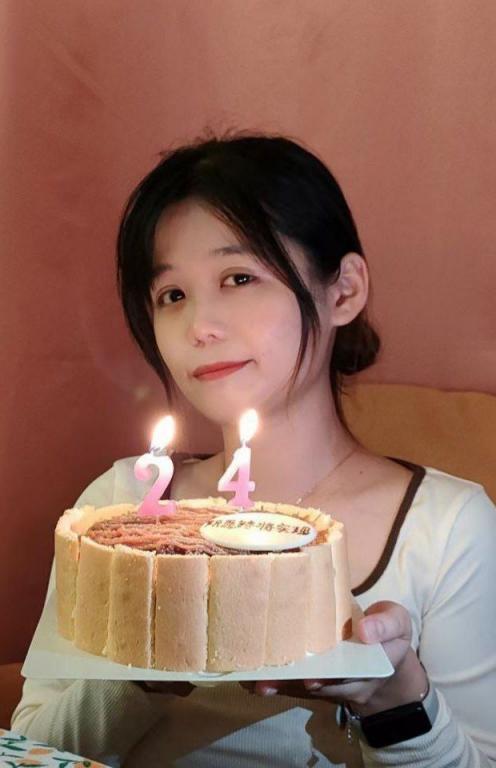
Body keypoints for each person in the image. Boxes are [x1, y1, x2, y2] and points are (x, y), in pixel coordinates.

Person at [12, 133, 496, 767]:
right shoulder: (120, 512)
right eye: (172, 295)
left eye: (239, 277)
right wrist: (141, 667)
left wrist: (397, 702)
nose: (199, 327)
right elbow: (34, 750)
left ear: (343, 290)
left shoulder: (447, 528)